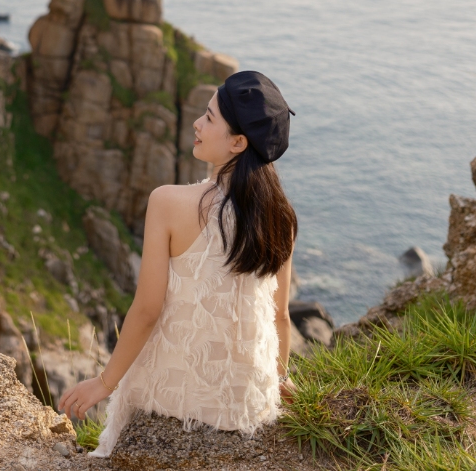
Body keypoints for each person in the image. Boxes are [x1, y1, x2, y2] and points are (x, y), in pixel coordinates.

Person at [57, 70, 299, 457]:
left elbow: (148, 309)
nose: (196, 124)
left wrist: (104, 383)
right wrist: (280, 377)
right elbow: (280, 316)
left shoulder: (168, 203)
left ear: (238, 142)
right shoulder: (281, 218)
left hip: (172, 398)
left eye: (209, 118)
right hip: (247, 405)